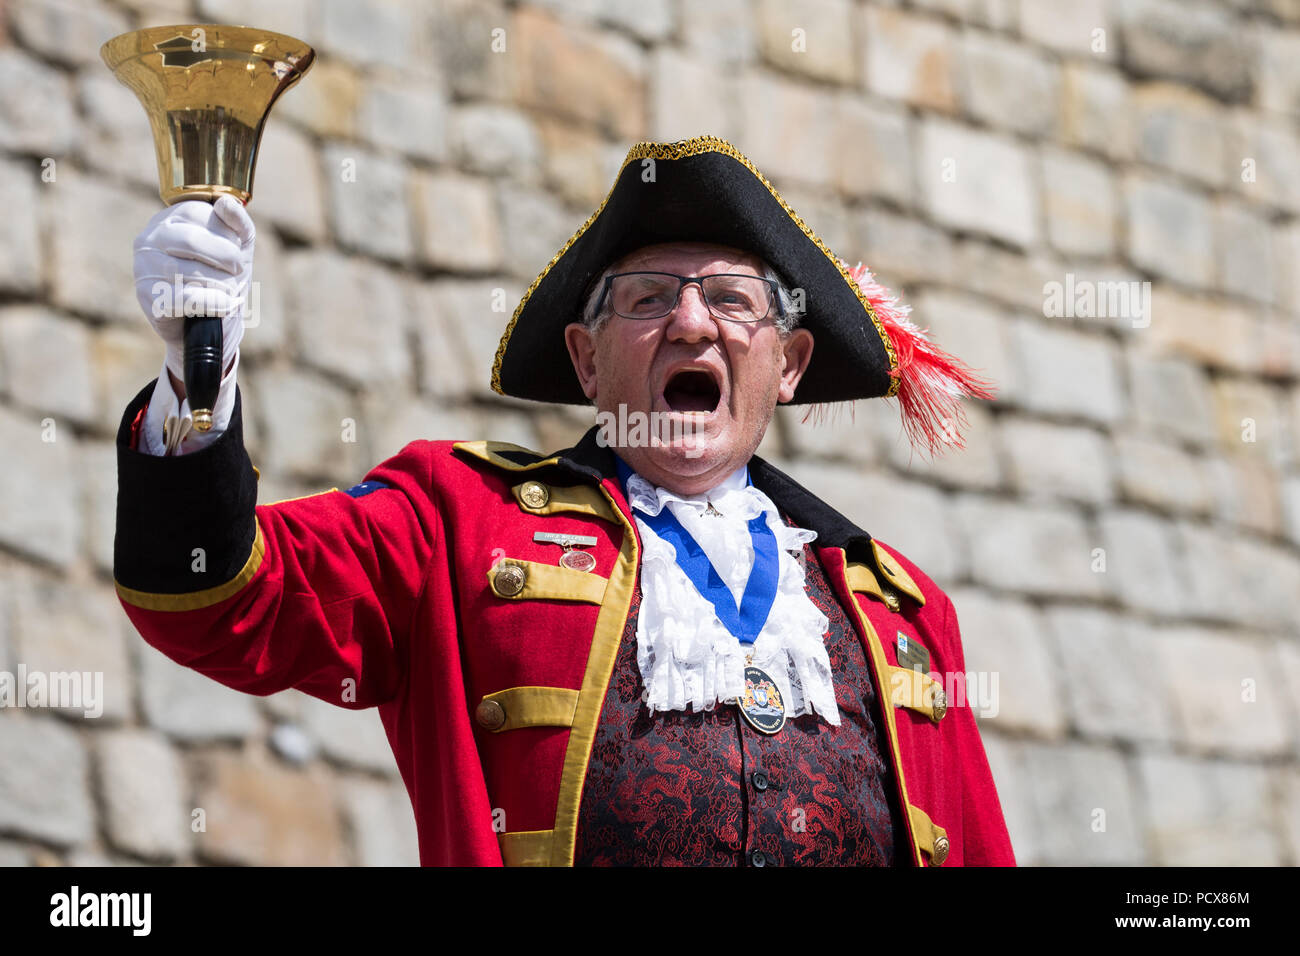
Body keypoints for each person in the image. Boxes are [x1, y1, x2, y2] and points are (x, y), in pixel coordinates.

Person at [114, 134, 1015, 866]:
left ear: (788, 366)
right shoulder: (455, 519)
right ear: (588, 361)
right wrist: (202, 372)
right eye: (649, 298)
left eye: (734, 301)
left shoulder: (902, 612)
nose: (692, 323)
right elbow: (219, 600)